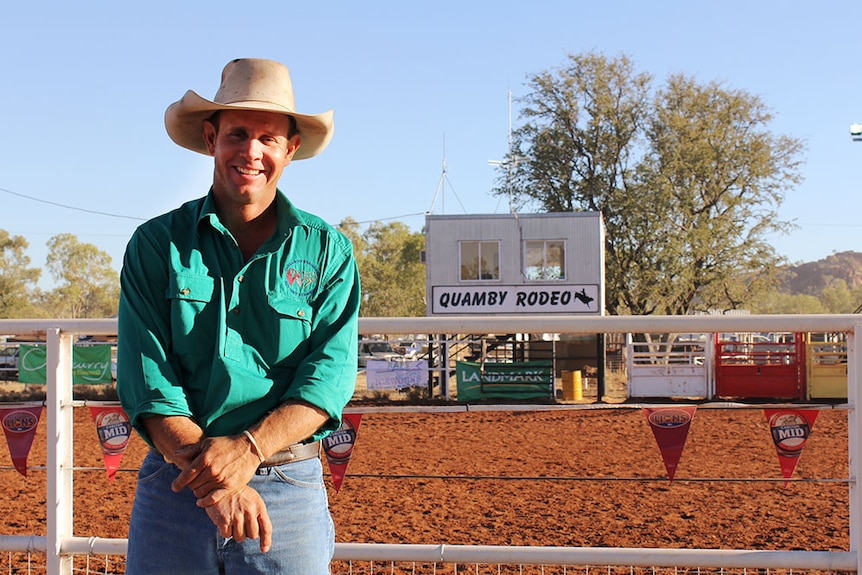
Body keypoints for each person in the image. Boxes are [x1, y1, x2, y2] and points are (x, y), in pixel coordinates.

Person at [117, 58, 360, 575]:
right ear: (211, 139)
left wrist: (248, 450)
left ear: (290, 149)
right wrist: (219, 480)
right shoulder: (157, 245)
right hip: (175, 481)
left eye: (268, 138)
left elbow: (329, 379)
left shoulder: (327, 251)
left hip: (284, 482)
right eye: (237, 134)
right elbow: (146, 378)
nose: (251, 151)